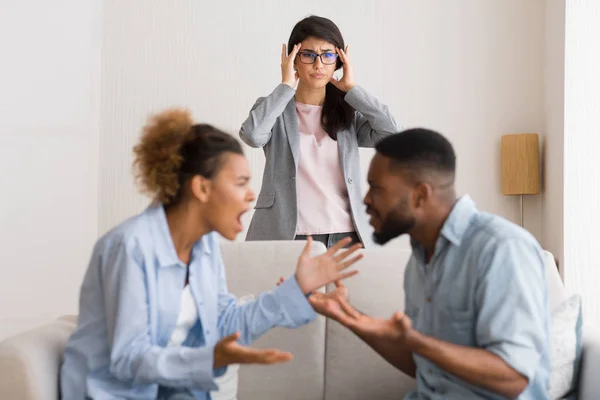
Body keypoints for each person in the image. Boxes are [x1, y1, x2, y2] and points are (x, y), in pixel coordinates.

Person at [59, 109, 363, 400]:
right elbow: (127, 359)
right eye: (241, 182)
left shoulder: (204, 250)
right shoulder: (130, 247)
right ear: (202, 188)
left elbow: (225, 322)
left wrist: (295, 289)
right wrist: (208, 359)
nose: (251, 195)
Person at [309, 128, 551, 399]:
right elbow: (424, 365)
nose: (365, 200)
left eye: (376, 189)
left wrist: (417, 341)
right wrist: (353, 319)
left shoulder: (501, 248)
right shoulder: (420, 258)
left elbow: (515, 377)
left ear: (420, 196)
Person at [239, 15, 400, 249]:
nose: (319, 64)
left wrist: (353, 90)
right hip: (286, 234)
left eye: (327, 55)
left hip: (347, 235)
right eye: (308, 55)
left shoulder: (348, 113)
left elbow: (393, 135)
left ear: (339, 61)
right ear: (293, 59)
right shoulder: (273, 108)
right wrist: (285, 86)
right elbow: (252, 135)